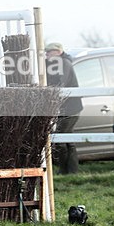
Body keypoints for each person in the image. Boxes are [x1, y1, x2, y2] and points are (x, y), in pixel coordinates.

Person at [45, 42, 83, 174]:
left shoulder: (64, 64)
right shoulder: (59, 64)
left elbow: (61, 83)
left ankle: (65, 169)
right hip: (68, 107)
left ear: (58, 52)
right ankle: (71, 170)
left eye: (50, 52)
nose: (47, 55)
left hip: (70, 108)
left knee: (61, 138)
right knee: (67, 139)